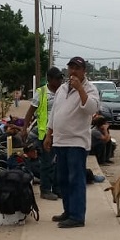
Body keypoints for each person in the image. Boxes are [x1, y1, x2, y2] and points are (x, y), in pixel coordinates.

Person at [44, 56, 99, 229]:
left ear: (84, 71)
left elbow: (91, 109)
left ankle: (77, 216)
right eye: (71, 67)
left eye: (77, 68)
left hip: (77, 142)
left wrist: (80, 89)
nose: (73, 71)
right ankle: (68, 211)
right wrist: (49, 134)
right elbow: (55, 113)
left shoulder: (90, 89)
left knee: (76, 179)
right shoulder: (62, 88)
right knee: (63, 179)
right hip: (60, 141)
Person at [22, 67, 63, 201]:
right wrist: (24, 128)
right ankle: (45, 190)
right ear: (50, 79)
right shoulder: (42, 92)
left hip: (59, 133)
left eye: (61, 78)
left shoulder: (62, 91)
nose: (60, 80)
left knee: (58, 163)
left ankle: (57, 189)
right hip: (44, 134)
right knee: (48, 162)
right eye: (57, 78)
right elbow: (30, 112)